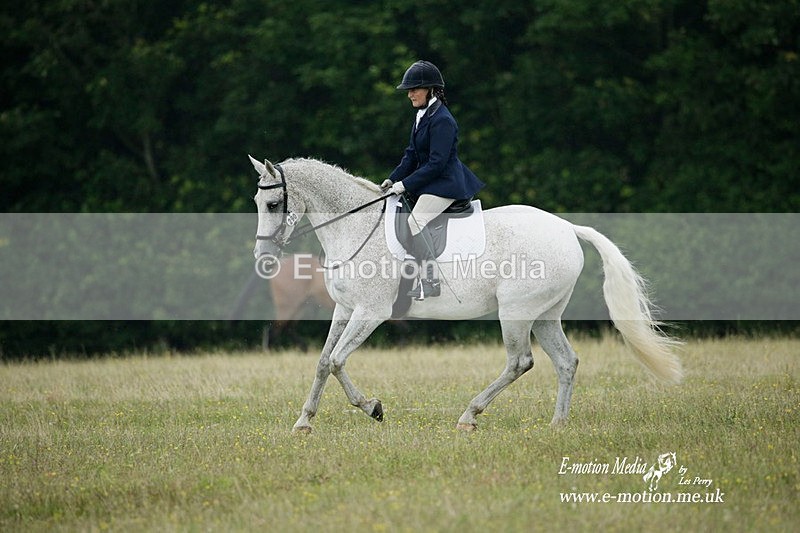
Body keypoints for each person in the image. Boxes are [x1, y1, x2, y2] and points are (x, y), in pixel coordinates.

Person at [382, 60, 484, 300]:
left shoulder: (443, 120)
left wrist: (405, 184)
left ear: (430, 89)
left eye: (414, 89)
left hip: (446, 183)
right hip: (431, 181)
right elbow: (411, 155)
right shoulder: (422, 115)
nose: (410, 94)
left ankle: (430, 281)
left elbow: (436, 164)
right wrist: (392, 179)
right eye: (409, 90)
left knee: (415, 222)